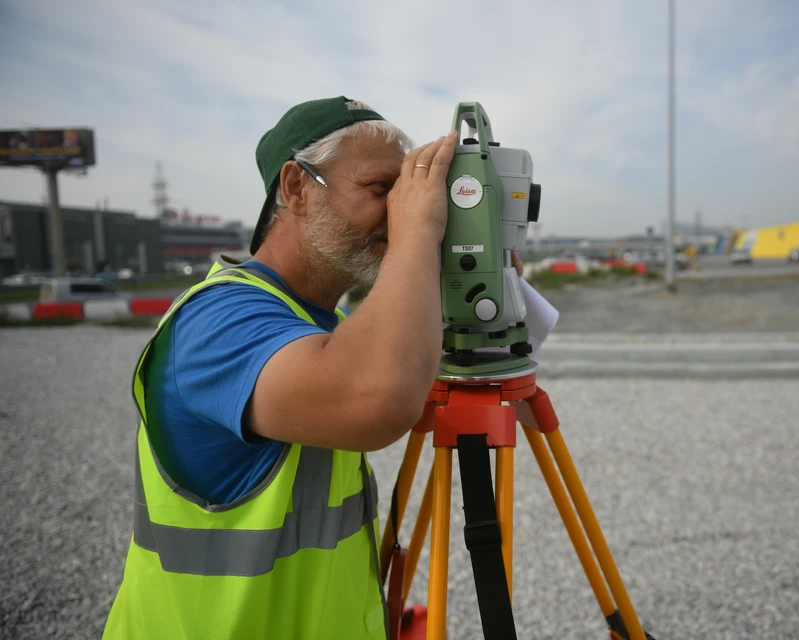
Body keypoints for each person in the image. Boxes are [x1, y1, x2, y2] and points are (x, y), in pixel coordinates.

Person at [103, 96, 505, 639]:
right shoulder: (217, 322)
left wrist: (477, 264)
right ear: (295, 188)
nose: (397, 210)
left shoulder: (324, 324)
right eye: (381, 189)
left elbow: (421, 383)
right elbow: (379, 399)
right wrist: (418, 236)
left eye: (404, 192)